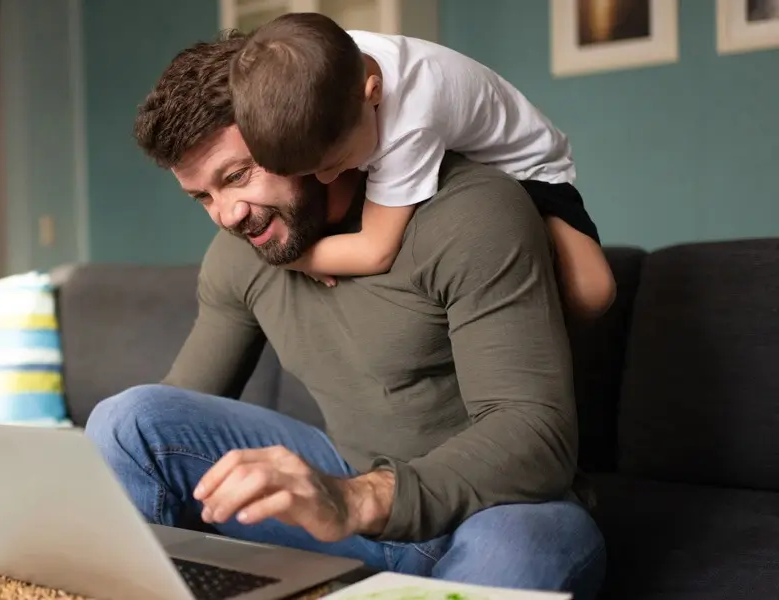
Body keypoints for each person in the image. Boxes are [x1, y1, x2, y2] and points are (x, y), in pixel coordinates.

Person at [83, 30, 606, 599]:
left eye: (237, 175)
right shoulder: (245, 252)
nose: (228, 214)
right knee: (128, 420)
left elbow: (536, 435)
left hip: (488, 511)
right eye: (203, 197)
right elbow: (169, 423)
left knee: (521, 549)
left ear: (294, 131)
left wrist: (358, 498)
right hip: (345, 490)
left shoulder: (472, 212)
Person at [227, 13, 615, 320]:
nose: (326, 179)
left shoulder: (409, 124)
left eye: (336, 164)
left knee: (592, 293)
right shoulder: (327, 61)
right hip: (457, 148)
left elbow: (375, 251)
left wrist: (294, 258)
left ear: (372, 94)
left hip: (530, 167)